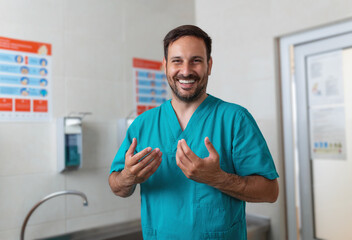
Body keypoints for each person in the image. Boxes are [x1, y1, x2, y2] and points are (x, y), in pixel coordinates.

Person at [109, 25, 279, 239]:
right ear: (165, 66)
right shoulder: (143, 124)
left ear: (209, 65)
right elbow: (117, 185)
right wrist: (127, 177)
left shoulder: (235, 119)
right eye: (177, 61)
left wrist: (218, 178)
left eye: (196, 60)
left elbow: (270, 191)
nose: (186, 71)